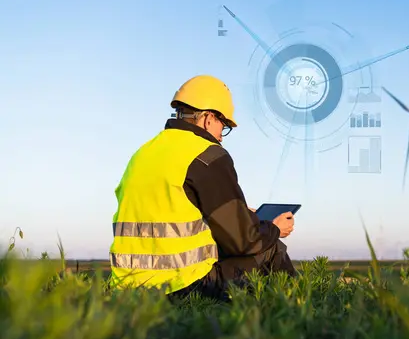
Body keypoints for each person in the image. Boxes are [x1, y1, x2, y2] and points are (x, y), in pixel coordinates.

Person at [109, 75, 297, 302]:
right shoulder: (207, 154)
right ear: (208, 118)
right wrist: (274, 228)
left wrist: (240, 213)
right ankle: (302, 317)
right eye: (224, 125)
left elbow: (169, 214)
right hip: (181, 286)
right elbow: (243, 242)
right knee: (271, 249)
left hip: (128, 287)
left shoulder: (144, 153)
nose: (221, 135)